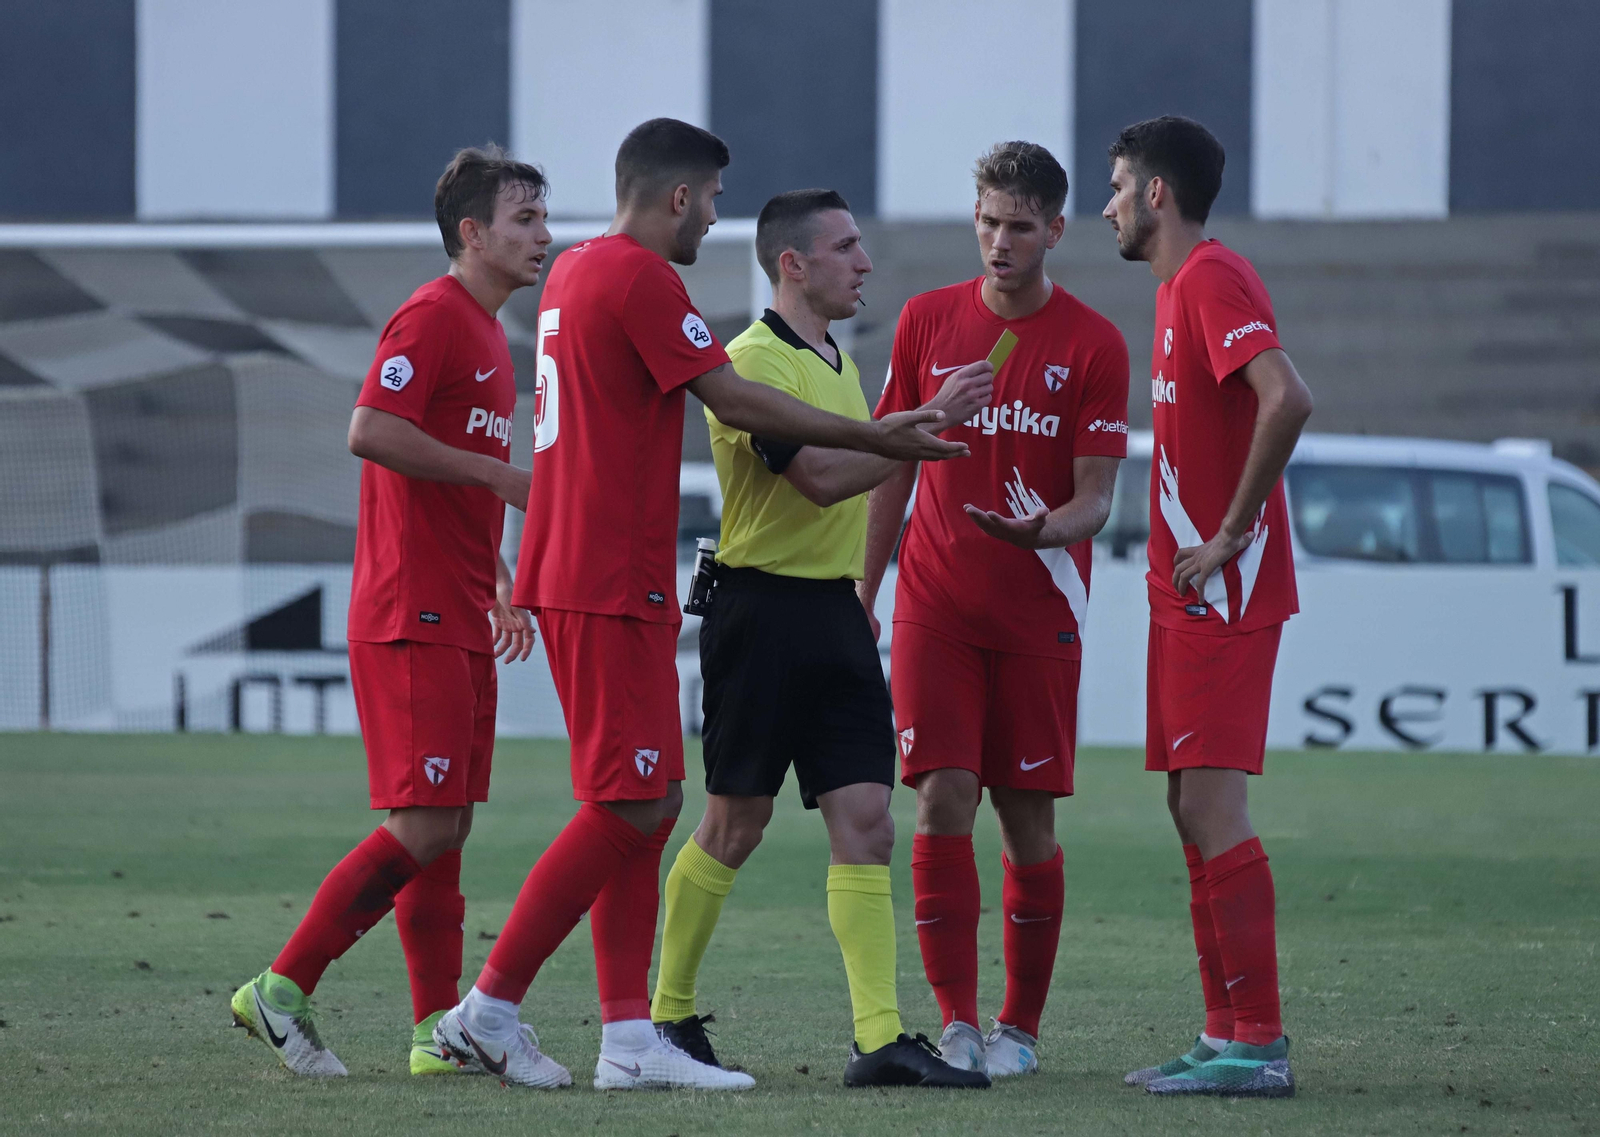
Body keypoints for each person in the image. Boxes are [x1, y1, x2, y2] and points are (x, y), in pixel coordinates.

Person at [432, 119, 978, 1092]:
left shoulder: (577, 276)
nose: (716, 218)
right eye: (715, 200)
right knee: (632, 802)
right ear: (680, 196)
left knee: (654, 801)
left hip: (611, 571)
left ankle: (628, 1036)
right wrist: (888, 433)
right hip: (608, 573)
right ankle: (490, 1006)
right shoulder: (639, 276)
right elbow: (732, 399)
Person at [647, 189, 992, 1089]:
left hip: (834, 615)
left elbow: (863, 466)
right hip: (758, 616)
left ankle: (878, 1037)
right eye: (845, 248)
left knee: (869, 821)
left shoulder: (840, 359)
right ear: (792, 264)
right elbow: (823, 477)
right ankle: (667, 1014)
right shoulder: (749, 360)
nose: (864, 263)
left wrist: (904, 447)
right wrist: (923, 430)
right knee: (734, 823)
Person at [230, 145, 549, 1077]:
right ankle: (280, 990)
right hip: (409, 610)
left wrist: (495, 576)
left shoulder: (491, 334)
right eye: (525, 220)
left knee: (447, 825)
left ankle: (432, 1033)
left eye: (544, 217)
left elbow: (446, 481)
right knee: (422, 823)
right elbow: (368, 429)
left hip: (457, 603)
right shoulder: (434, 314)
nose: (544, 236)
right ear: (472, 233)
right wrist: (498, 473)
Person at [859, 141, 1129, 1078]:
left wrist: (1045, 530)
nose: (1000, 241)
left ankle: (1020, 1028)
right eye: (987, 222)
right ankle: (959, 1021)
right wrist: (867, 587)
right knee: (941, 797)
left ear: (1056, 228)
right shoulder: (928, 321)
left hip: (1041, 605)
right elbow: (894, 456)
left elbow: (1098, 498)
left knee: (1025, 820)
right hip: (935, 600)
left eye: (1019, 226)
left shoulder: (1095, 344)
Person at [1102, 115, 1312, 1098]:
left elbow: (1287, 397)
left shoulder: (1211, 279)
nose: (1104, 205)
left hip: (1222, 591)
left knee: (1213, 804)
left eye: (1114, 186)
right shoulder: (1177, 291)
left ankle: (1257, 1042)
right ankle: (1224, 1031)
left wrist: (1228, 533)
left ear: (1155, 194)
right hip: (1184, 596)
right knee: (1189, 804)